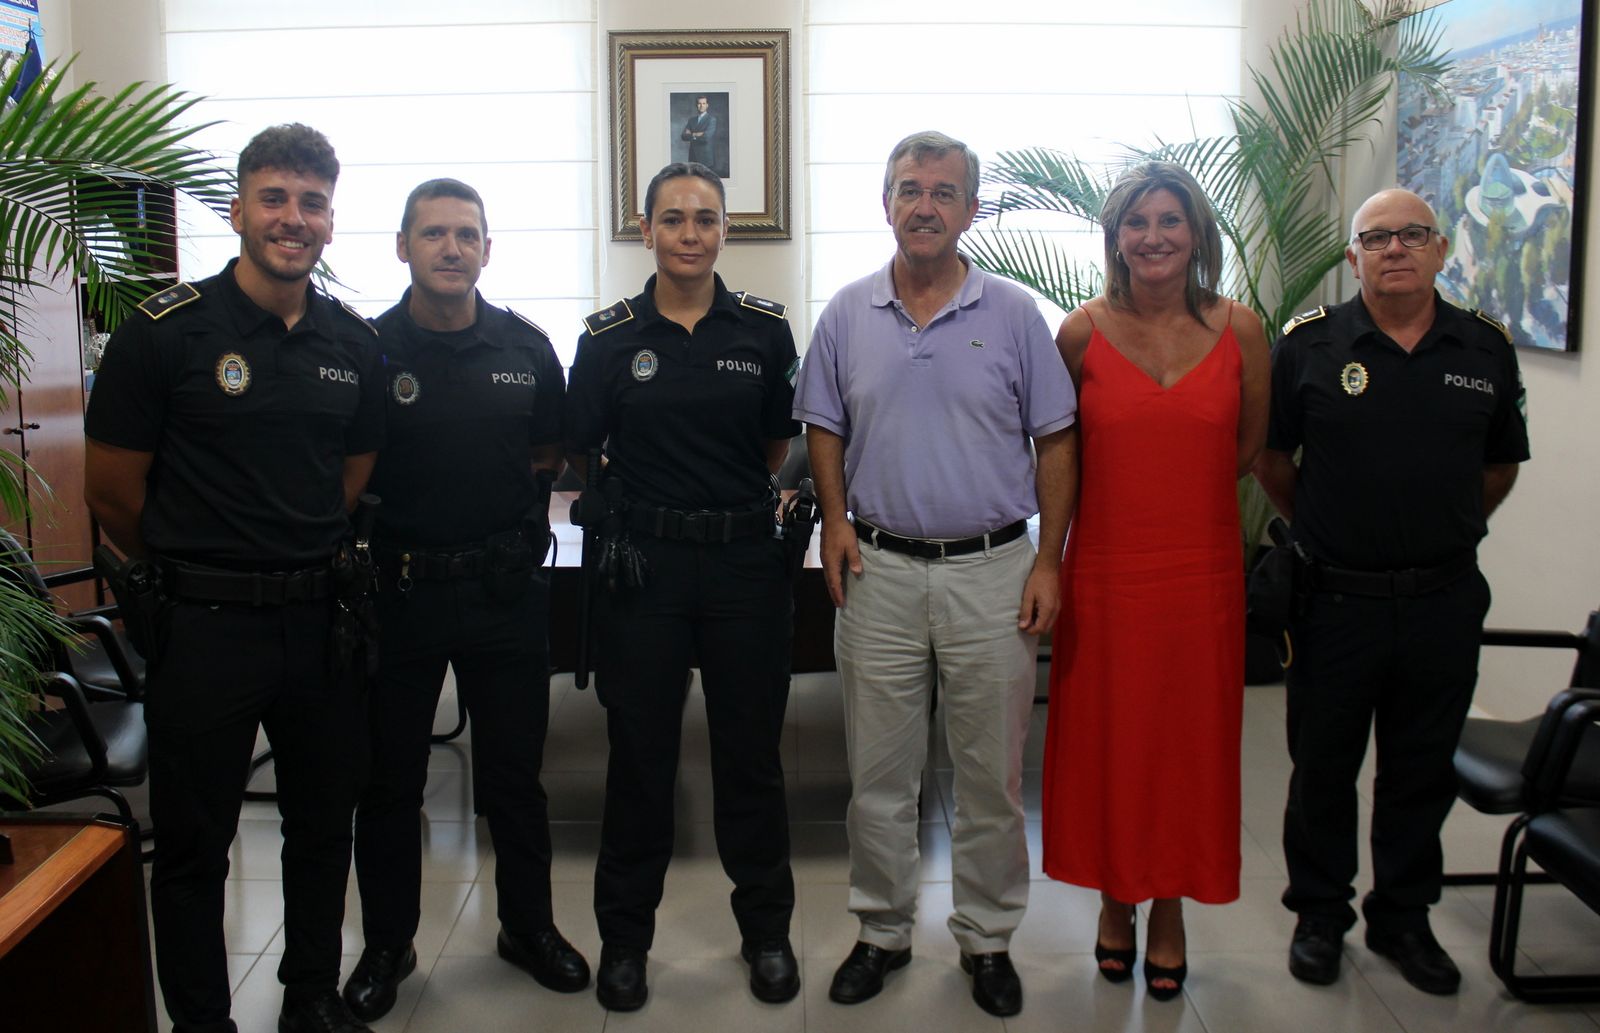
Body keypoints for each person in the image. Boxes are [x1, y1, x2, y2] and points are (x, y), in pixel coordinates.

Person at [83, 124, 385, 1033]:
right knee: (192, 847)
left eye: (312, 202)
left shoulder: (353, 343)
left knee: (323, 826)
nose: (294, 219)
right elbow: (111, 494)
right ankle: (204, 1020)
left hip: (319, 620)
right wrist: (202, 557)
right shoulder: (165, 334)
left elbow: (351, 473)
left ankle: (310, 993)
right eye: (275, 198)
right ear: (240, 208)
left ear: (332, 219)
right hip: (205, 626)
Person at [792, 130, 1078, 1019]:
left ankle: (988, 937)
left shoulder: (1015, 315)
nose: (925, 205)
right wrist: (835, 521)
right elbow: (823, 428)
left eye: (945, 192)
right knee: (879, 775)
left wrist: (1047, 557)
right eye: (910, 189)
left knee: (990, 777)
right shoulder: (846, 313)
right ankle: (881, 929)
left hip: (992, 572)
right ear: (885, 204)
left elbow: (1057, 438)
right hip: (876, 571)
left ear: (971, 209)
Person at [1253, 187, 1529, 995]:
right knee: (1323, 769)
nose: (1396, 249)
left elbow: (1500, 464)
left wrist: (1442, 533)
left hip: (1443, 599)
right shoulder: (1309, 346)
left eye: (1413, 235)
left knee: (1421, 768)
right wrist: (1331, 533)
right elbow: (1274, 462)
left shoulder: (1482, 349)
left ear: (1442, 249)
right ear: (1353, 258)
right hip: (1335, 601)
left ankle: (1404, 917)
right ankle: (1320, 914)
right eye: (1377, 238)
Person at [340, 179, 587, 1022]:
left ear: (489, 248)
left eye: (468, 235)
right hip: (397, 595)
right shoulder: (365, 351)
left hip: (503, 592)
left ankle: (528, 927)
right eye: (434, 233)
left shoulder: (526, 346)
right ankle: (388, 944)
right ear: (402, 246)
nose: (452, 248)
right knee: (390, 782)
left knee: (516, 778)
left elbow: (548, 452)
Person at [564, 160, 800, 1012]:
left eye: (705, 219)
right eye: (673, 219)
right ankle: (625, 940)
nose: (689, 233)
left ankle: (767, 932)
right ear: (646, 228)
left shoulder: (765, 332)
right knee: (640, 761)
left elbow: (776, 451)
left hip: (741, 564)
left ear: (725, 231)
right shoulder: (607, 337)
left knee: (750, 760)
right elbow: (582, 448)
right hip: (646, 570)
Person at [1038, 161, 1270, 1001]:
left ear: (1197, 234)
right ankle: (1114, 900)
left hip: (1200, 577)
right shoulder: (1080, 333)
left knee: (1186, 750)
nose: (1154, 236)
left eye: (1170, 220)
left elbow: (1245, 449)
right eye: (1137, 222)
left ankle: (1169, 909)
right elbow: (1057, 454)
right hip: (1104, 572)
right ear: (1116, 238)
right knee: (1113, 740)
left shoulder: (1241, 329)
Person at [679, 95, 718, 169]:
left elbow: (706, 137)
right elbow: (683, 136)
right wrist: (697, 134)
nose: (701, 106)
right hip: (693, 156)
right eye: (699, 103)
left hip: (705, 158)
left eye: (703, 103)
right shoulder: (691, 120)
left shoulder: (711, 120)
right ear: (696, 105)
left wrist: (691, 134)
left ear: (707, 105)